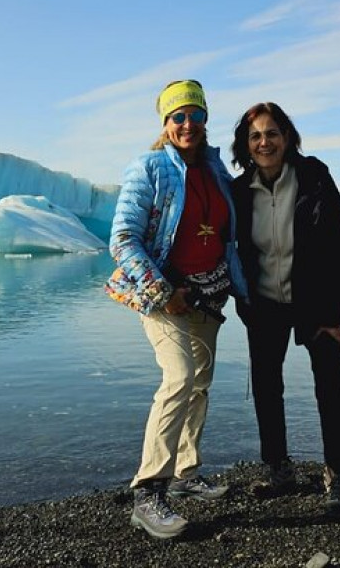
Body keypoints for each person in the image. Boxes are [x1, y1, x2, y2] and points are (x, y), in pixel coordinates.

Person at [105, 80, 248, 539]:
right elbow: (122, 240)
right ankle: (149, 491)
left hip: (209, 294)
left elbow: (228, 234)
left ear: (206, 119)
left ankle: (186, 472)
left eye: (196, 115)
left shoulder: (216, 169)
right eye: (178, 116)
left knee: (200, 383)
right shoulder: (148, 168)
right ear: (166, 123)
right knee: (180, 377)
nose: (188, 124)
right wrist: (163, 291)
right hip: (164, 296)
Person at [230, 102, 340, 515]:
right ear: (246, 144)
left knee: (331, 384)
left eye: (272, 133)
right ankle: (278, 469)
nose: (264, 142)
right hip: (265, 304)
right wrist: (244, 303)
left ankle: (339, 475)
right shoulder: (239, 190)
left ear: (287, 138)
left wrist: (334, 314)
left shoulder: (314, 178)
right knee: (266, 386)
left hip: (316, 303)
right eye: (255, 136)